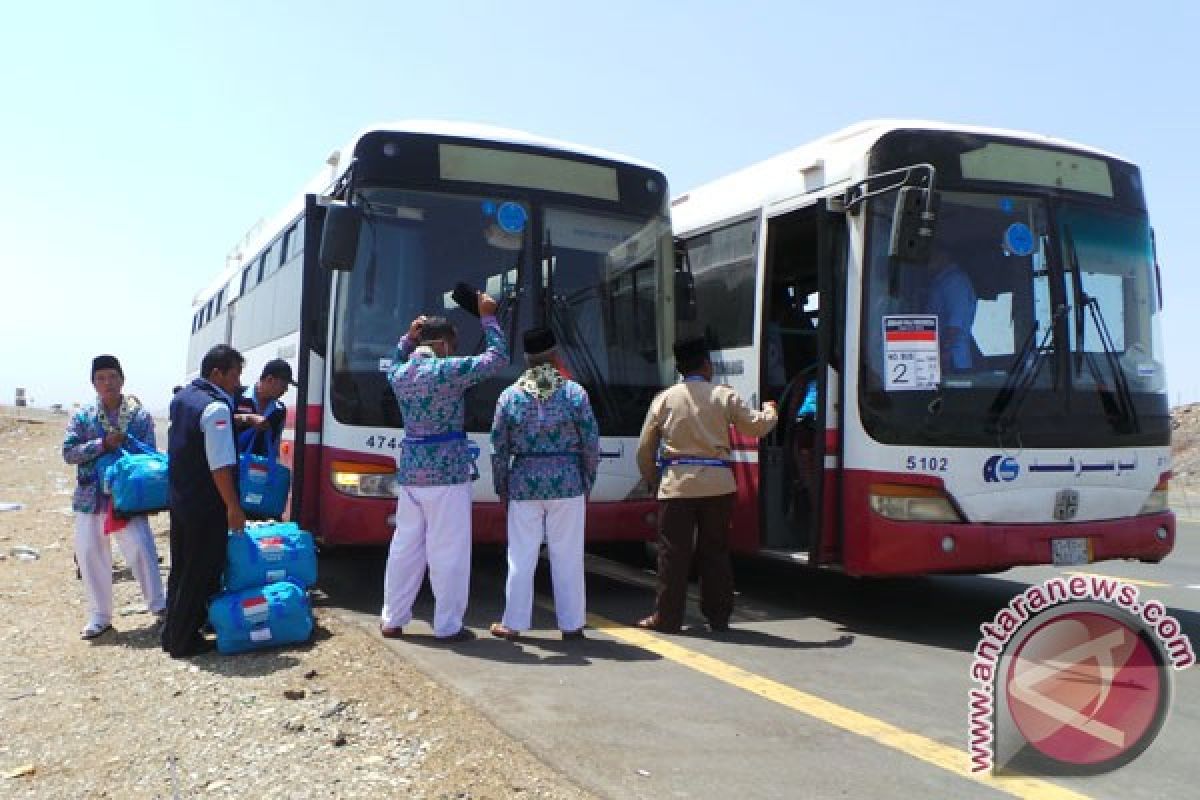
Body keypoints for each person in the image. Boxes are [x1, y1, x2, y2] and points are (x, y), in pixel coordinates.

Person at [380, 292, 507, 641]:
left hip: (410, 472)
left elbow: (392, 360)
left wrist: (407, 338)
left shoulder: (400, 374)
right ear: (446, 343)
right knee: (447, 549)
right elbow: (497, 358)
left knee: (405, 546)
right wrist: (488, 318)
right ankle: (447, 625)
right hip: (448, 472)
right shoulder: (449, 370)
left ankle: (393, 618)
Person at [635, 337, 778, 633]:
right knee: (715, 551)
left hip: (677, 487)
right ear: (706, 365)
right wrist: (770, 411)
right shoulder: (723, 396)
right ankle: (718, 617)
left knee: (672, 554)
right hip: (718, 488)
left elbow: (644, 450)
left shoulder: (664, 399)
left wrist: (654, 479)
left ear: (679, 369)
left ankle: (667, 619)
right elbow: (756, 427)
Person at [488, 327, 600, 641]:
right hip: (568, 482)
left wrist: (503, 487)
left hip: (524, 482)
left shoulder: (509, 396)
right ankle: (572, 624)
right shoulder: (575, 393)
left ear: (526, 359)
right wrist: (587, 479)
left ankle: (513, 624)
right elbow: (591, 443)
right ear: (555, 355)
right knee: (568, 554)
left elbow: (499, 448)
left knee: (521, 555)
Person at [62, 355, 166, 639]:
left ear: (122, 380)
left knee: (142, 551)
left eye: (112, 377)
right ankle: (100, 616)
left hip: (127, 499)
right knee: (90, 554)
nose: (107, 383)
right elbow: (69, 453)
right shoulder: (83, 416)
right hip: (90, 497)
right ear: (93, 383)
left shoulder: (139, 416)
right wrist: (102, 444)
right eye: (101, 378)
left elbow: (149, 457)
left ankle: (160, 608)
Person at [161, 345, 247, 658]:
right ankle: (185, 641)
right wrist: (233, 508)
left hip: (181, 498)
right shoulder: (217, 409)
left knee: (181, 568)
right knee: (201, 570)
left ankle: (171, 634)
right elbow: (220, 465)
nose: (237, 383)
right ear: (217, 374)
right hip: (206, 504)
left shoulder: (183, 398)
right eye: (235, 374)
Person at [926, 247, 978, 372]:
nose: (927, 262)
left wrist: (944, 351)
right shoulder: (942, 281)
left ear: (944, 256)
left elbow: (955, 324)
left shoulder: (955, 281)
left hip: (952, 362)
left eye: (931, 257)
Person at [234, 359, 295, 457]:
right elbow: (223, 421)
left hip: (260, 467)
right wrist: (248, 419)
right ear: (270, 379)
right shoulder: (237, 395)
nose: (286, 390)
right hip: (234, 463)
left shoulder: (279, 410)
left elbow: (275, 443)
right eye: (283, 385)